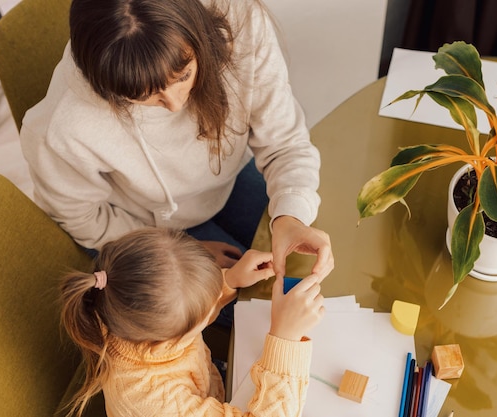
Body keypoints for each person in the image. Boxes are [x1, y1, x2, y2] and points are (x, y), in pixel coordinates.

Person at [20, 0, 333, 280]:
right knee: (253, 304)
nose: (175, 103)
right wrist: (180, 251)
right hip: (138, 224)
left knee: (309, 264)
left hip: (226, 181)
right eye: (144, 96)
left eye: (183, 76)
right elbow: (82, 218)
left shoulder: (241, 22)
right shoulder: (60, 127)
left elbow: (285, 143)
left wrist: (290, 216)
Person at [60, 227, 325, 417]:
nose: (214, 304)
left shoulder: (120, 306)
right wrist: (285, 339)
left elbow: (181, 302)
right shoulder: (151, 403)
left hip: (205, 386)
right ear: (170, 337)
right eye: (206, 315)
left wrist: (229, 279)